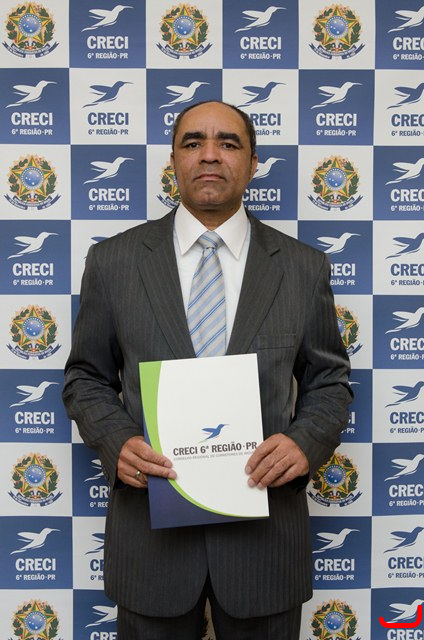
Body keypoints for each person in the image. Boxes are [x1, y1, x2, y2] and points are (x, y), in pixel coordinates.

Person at [63, 100, 352, 639]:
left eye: (229, 143)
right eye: (193, 143)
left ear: (253, 163)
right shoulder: (113, 262)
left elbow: (329, 381)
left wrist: (304, 442)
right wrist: (116, 441)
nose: (210, 155)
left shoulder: (302, 267)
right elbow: (86, 377)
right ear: (173, 160)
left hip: (264, 545)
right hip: (151, 541)